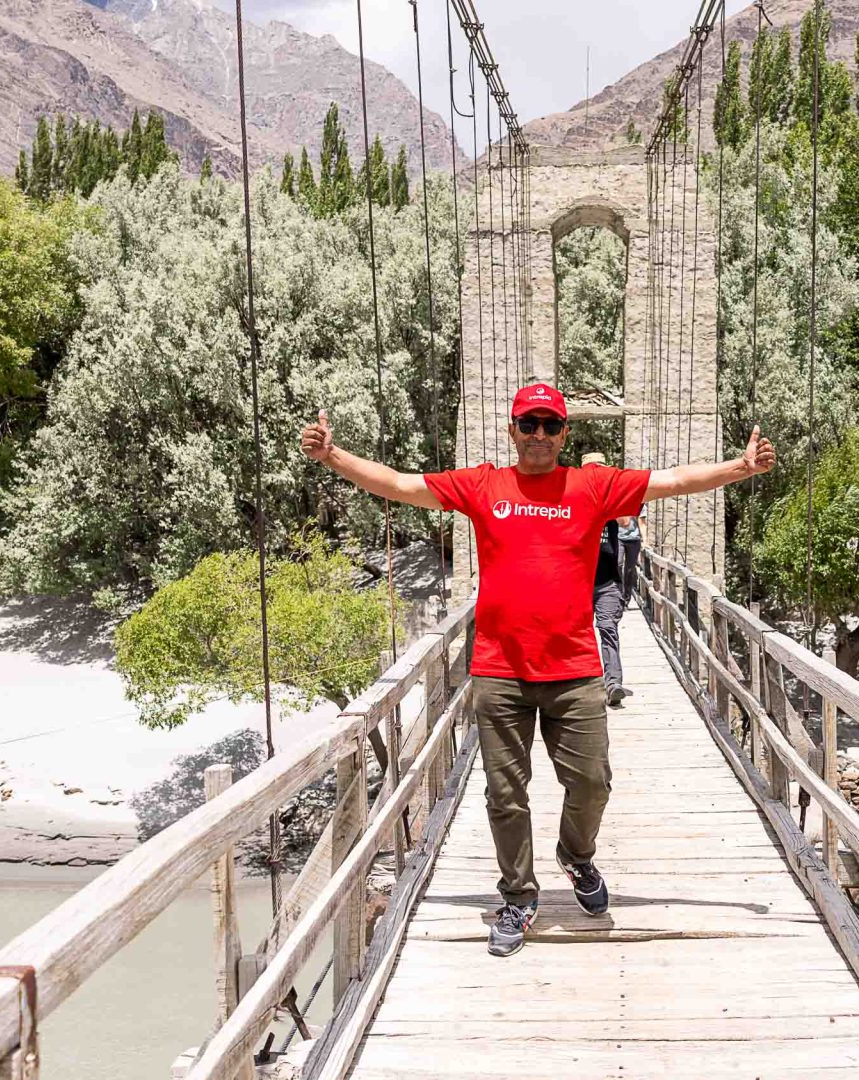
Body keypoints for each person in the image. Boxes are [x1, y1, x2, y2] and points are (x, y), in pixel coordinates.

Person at [300, 383, 775, 956]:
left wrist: (741, 469)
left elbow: (672, 481)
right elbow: (401, 486)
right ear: (512, 430)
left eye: (551, 425)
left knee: (593, 784)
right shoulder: (483, 485)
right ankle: (519, 897)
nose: (540, 436)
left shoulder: (591, 486)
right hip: (500, 671)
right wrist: (333, 457)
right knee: (506, 795)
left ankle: (576, 857)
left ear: (565, 434)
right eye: (530, 424)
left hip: (574, 670)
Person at [580, 452, 628, 708]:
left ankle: (613, 684)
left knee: (608, 628)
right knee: (577, 633)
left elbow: (625, 519)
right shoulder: (571, 501)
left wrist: (615, 485)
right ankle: (582, 684)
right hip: (577, 583)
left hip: (607, 582)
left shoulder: (612, 502)